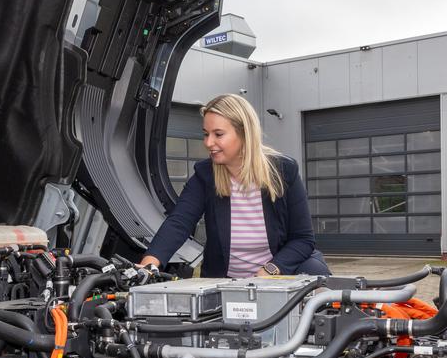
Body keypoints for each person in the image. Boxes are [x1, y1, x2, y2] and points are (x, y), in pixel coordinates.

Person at [140, 94, 330, 278]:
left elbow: (302, 239)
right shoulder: (205, 175)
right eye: (206, 134)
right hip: (224, 282)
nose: (208, 143)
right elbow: (178, 223)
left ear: (244, 133)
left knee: (317, 276)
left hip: (276, 276)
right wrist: (148, 264)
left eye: (218, 134)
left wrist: (270, 270)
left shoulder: (284, 171)